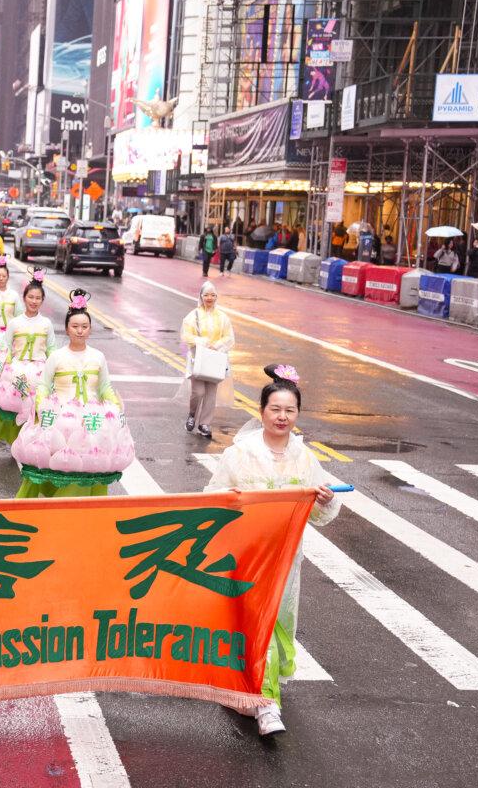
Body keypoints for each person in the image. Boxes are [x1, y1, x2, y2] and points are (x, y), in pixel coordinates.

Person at [203, 364, 341, 736]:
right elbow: (212, 499)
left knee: (277, 621)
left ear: (297, 415)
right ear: (261, 411)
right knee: (253, 623)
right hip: (245, 558)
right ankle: (266, 703)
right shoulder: (240, 455)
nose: (282, 417)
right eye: (275, 409)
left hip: (285, 559)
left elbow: (320, 514)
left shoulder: (304, 458)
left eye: (290, 410)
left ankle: (251, 685)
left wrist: (324, 500)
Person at [11, 290, 134, 497]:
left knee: (91, 462)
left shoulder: (98, 356)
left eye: (84, 327)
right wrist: (41, 406)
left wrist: (115, 406)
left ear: (90, 329)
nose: (80, 331)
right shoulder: (57, 357)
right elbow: (43, 386)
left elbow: (105, 388)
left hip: (91, 418)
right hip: (62, 417)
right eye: (75, 327)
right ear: (67, 329)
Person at [0, 269, 55, 444]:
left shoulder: (47, 324)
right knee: (16, 400)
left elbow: (51, 348)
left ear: (42, 300)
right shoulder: (15, 322)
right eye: (30, 297)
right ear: (24, 298)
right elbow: (6, 347)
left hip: (39, 367)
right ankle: (16, 440)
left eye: (38, 298)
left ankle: (34, 440)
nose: (34, 301)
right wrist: (5, 363)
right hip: (17, 366)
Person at [180, 281, 235, 439]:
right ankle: (192, 414)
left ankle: (205, 423)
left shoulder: (222, 317)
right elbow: (186, 336)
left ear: (216, 297)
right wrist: (203, 342)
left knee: (211, 393)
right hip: (198, 359)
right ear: (201, 296)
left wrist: (217, 346)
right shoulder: (193, 316)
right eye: (206, 295)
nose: (209, 298)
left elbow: (229, 338)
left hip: (215, 360)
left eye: (213, 295)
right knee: (199, 392)